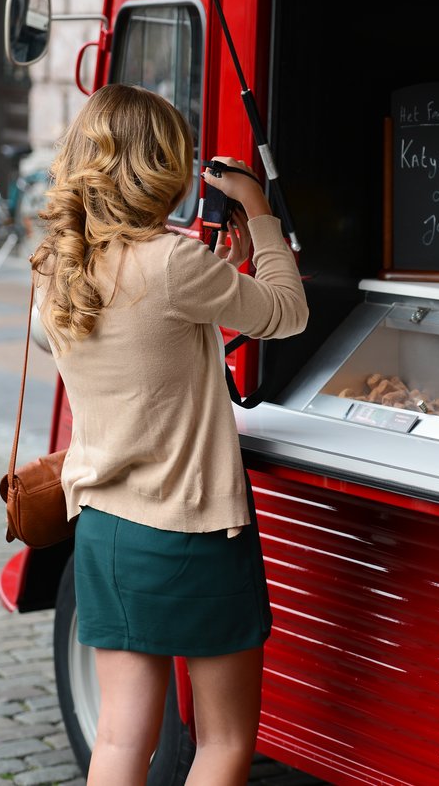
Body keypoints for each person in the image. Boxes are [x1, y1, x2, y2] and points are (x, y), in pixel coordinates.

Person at [29, 83, 308, 785]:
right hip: (192, 532)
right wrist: (259, 213)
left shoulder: (58, 270)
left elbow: (149, 339)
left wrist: (229, 271)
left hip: (103, 529)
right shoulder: (175, 263)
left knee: (123, 743)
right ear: (165, 168)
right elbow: (288, 313)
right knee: (221, 742)